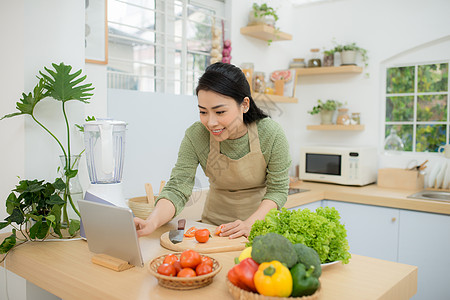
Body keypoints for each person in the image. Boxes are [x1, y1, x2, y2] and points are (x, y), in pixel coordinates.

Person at [134, 62, 291, 239]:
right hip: (213, 230)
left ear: (244, 105)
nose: (211, 122)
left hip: (261, 229)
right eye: (203, 112)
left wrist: (249, 224)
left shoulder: (270, 133)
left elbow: (278, 190)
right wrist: (151, 222)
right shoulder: (196, 135)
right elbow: (178, 188)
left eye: (220, 112)